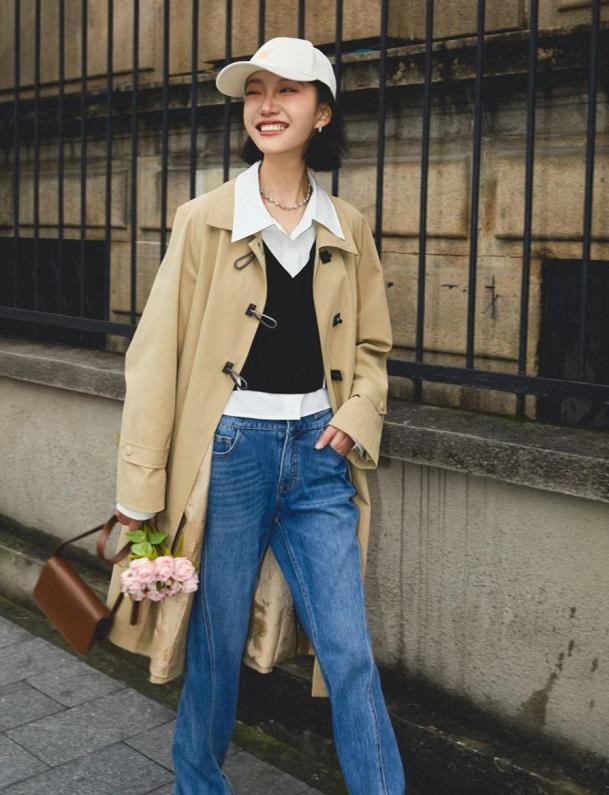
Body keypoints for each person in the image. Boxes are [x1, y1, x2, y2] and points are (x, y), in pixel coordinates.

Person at [112, 36, 406, 795]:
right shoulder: (204, 219)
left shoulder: (348, 225)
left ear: (322, 113)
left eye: (288, 91)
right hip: (230, 451)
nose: (267, 106)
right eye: (255, 91)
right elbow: (155, 356)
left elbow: (372, 346)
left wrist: (359, 413)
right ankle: (198, 783)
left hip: (319, 454)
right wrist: (140, 491)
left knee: (348, 652)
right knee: (214, 646)